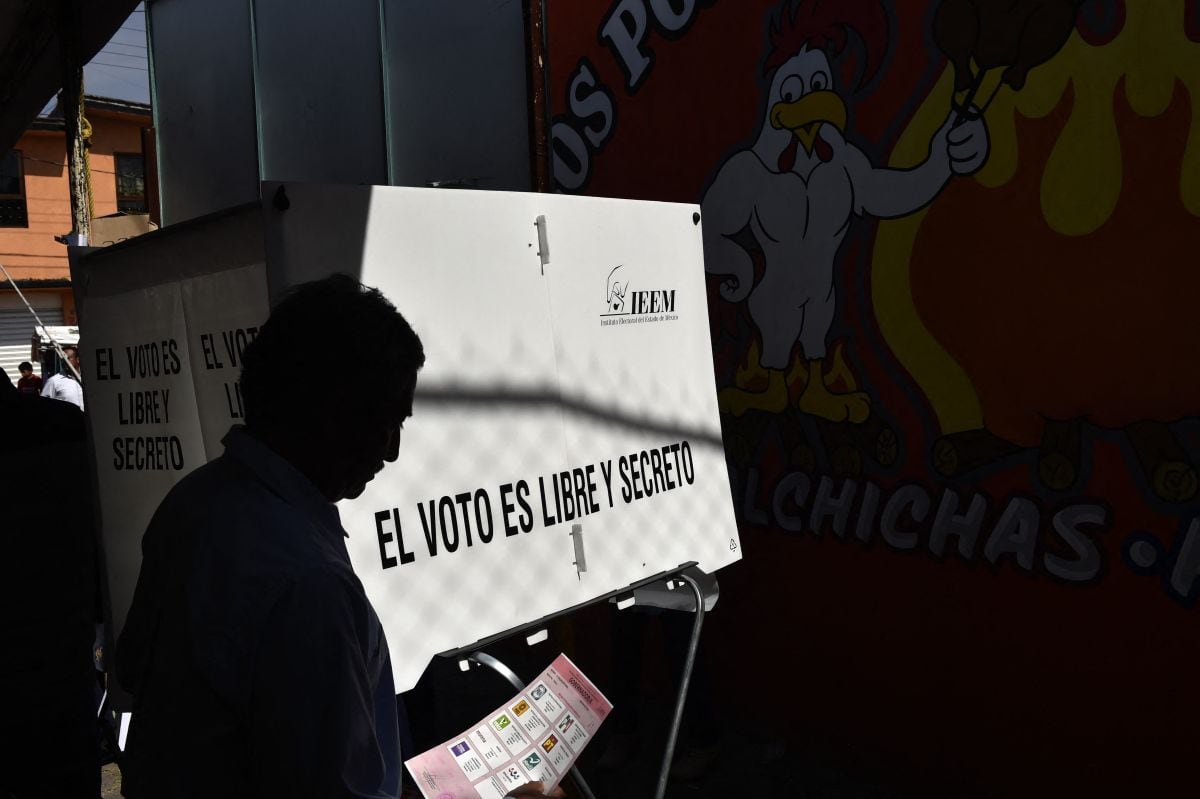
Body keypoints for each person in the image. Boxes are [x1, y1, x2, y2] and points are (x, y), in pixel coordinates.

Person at [116, 275, 559, 799]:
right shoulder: (308, 585)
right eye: (384, 421)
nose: (392, 451)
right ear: (329, 408)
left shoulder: (193, 501)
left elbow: (131, 672)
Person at [41, 344, 84, 410]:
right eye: (62, 359)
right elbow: (44, 406)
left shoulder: (88, 379)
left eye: (68, 358)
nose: (64, 361)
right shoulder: (54, 381)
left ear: (77, 360)